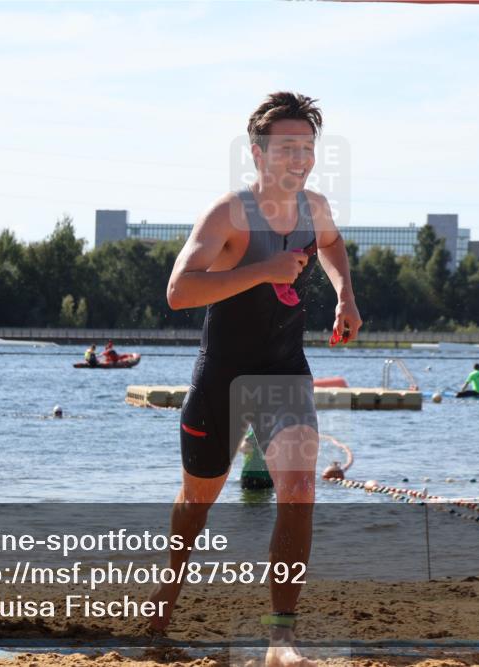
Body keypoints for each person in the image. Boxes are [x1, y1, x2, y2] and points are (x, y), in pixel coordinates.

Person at [152, 91, 361, 667]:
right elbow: (178, 292)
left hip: (284, 371)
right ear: (258, 153)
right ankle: (167, 594)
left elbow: (334, 245)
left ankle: (280, 639)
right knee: (198, 502)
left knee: (299, 491)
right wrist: (262, 271)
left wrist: (345, 295)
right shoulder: (228, 214)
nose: (300, 158)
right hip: (222, 374)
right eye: (288, 147)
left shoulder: (314, 209)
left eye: (309, 148)